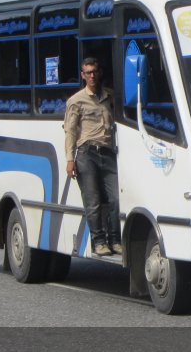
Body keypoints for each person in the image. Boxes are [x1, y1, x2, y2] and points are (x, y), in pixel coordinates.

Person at [64, 58, 121, 256]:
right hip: (86, 154)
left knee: (115, 198)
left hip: (107, 152)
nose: (92, 76)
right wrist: (70, 160)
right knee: (93, 201)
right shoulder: (76, 101)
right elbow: (70, 132)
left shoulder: (109, 96)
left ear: (100, 72)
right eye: (87, 72)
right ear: (82, 75)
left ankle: (115, 240)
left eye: (94, 71)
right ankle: (98, 242)